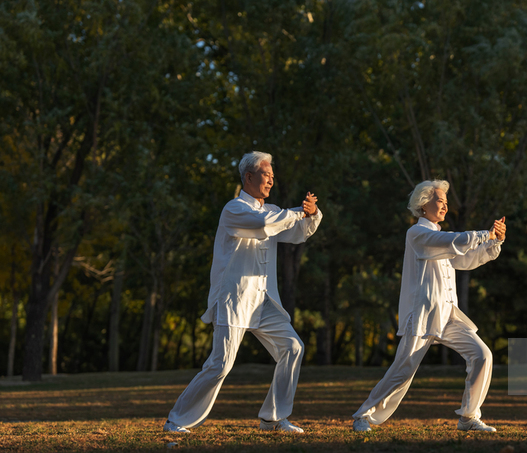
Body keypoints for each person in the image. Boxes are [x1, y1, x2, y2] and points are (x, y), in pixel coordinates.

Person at [164, 151, 322, 434]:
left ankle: (273, 418)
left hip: (263, 300)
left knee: (293, 348)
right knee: (220, 365)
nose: (271, 180)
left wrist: (311, 214)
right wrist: (297, 211)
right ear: (248, 177)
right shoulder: (233, 209)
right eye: (266, 174)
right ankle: (176, 420)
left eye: (273, 176)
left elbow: (298, 233)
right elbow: (263, 226)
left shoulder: (273, 210)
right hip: (234, 299)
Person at [351, 179, 506, 433]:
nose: (445, 205)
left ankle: (468, 417)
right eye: (440, 200)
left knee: (482, 355)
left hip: (449, 315)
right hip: (422, 316)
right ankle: (362, 416)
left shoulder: (442, 237)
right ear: (423, 204)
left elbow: (466, 259)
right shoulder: (417, 233)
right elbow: (450, 242)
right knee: (402, 371)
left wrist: (494, 242)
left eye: (446, 201)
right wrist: (483, 234)